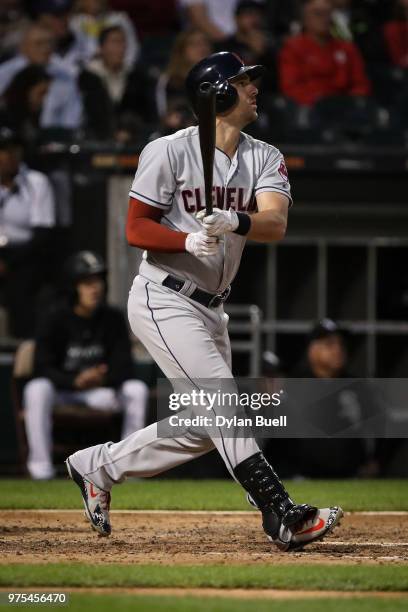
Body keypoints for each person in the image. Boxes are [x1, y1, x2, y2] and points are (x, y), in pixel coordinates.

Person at [65, 51, 343, 552]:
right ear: (215, 95)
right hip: (163, 295)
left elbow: (275, 223)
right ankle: (279, 513)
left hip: (212, 306)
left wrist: (236, 220)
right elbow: (136, 227)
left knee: (202, 428)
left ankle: (97, 466)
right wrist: (185, 240)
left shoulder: (263, 155)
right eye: (241, 82)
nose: (254, 88)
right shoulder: (167, 152)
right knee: (224, 404)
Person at [24, 250, 149, 480]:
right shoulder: (54, 318)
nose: (95, 288)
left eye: (98, 281)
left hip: (99, 392)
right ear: (73, 287)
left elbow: (125, 366)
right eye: (87, 282)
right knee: (36, 389)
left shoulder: (112, 318)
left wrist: (101, 378)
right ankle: (40, 469)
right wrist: (74, 380)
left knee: (136, 389)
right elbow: (41, 367)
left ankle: (128, 468)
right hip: (63, 391)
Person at [289, 319, 381, 478]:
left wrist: (375, 460)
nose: (338, 350)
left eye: (341, 344)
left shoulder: (357, 386)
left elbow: (379, 425)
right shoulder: (294, 386)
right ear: (312, 350)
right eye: (329, 344)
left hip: (352, 477)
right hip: (304, 478)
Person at [0, 128, 56, 337]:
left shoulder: (36, 182)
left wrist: (8, 263)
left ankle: (21, 344)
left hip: (25, 254)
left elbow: (42, 235)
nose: (8, 156)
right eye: (3, 151)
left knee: (22, 284)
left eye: (13, 150)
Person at [279, 0, 371, 107]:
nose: (324, 19)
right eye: (318, 13)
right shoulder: (292, 48)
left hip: (346, 109)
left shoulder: (347, 48)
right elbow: (291, 88)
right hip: (311, 111)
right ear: (305, 19)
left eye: (328, 14)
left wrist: (349, 102)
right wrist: (321, 103)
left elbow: (361, 84)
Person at [0, 24, 82, 129]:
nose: (46, 48)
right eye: (39, 44)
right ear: (23, 47)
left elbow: (72, 113)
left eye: (49, 43)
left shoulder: (66, 74)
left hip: (57, 136)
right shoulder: (4, 72)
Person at [82, 25, 155, 140]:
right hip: (94, 140)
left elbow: (146, 113)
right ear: (101, 47)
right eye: (115, 42)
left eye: (123, 42)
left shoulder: (137, 77)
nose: (121, 47)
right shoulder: (86, 78)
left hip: (132, 141)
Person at [216, 0, 277, 94]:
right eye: (249, 14)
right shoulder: (225, 47)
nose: (255, 19)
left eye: (258, 15)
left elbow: (274, 81)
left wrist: (262, 54)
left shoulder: (270, 46)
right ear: (237, 19)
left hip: (264, 98)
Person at [155, 29, 211, 119]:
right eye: (194, 44)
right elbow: (166, 114)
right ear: (182, 50)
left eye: (204, 43)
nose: (201, 47)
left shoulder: (220, 77)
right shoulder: (170, 80)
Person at [70, 0, 140, 68]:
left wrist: (123, 69)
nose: (94, 2)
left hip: (119, 71)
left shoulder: (119, 19)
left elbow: (132, 47)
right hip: (86, 71)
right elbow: (74, 53)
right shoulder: (74, 23)